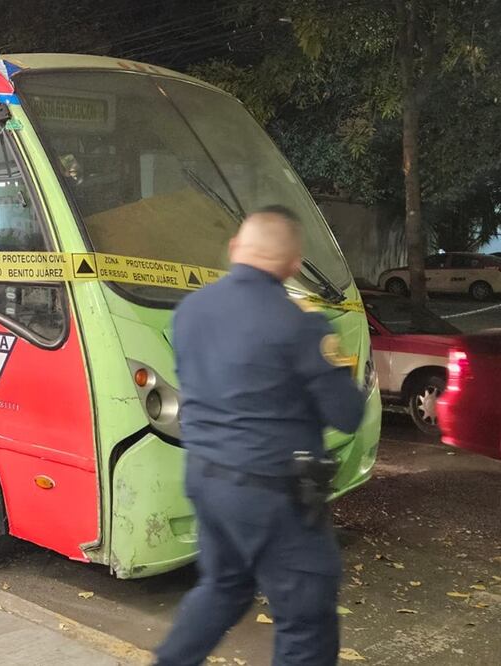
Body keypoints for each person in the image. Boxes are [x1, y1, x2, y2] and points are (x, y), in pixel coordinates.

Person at [155, 206, 366, 666]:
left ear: (235, 249)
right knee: (306, 619)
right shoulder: (300, 323)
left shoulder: (192, 309)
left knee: (223, 588)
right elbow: (347, 414)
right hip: (273, 494)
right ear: (293, 265)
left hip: (207, 480)